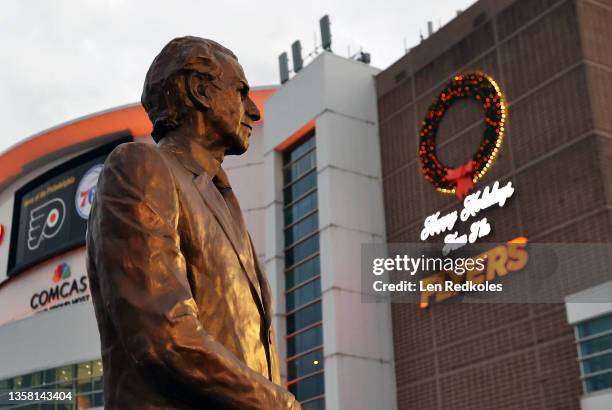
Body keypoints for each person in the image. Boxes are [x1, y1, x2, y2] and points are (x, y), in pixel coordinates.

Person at [86, 36, 300, 410]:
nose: (253, 111)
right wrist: (279, 405)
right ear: (201, 90)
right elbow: (163, 333)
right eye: (240, 91)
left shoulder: (220, 198)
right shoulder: (141, 167)